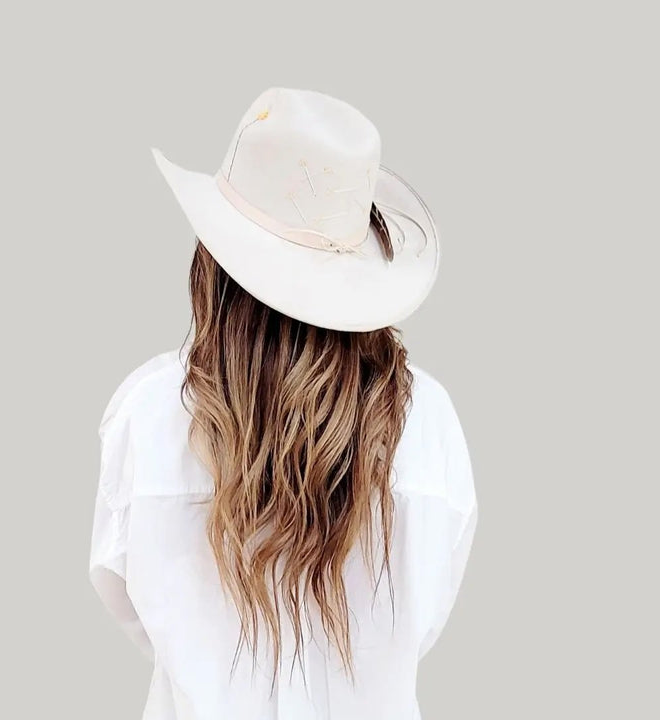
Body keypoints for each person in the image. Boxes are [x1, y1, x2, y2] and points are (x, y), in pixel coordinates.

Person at [89, 87, 479, 720]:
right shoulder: (429, 423)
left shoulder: (148, 414)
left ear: (212, 262)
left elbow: (126, 598)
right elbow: (426, 620)